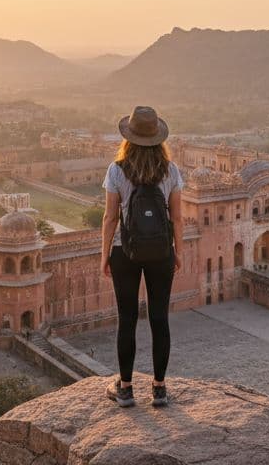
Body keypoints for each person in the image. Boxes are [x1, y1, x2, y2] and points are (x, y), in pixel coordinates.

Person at [101, 105, 183, 408]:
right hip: (161, 252)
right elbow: (177, 217)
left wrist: (105, 255)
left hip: (125, 251)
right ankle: (159, 389)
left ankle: (125, 389)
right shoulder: (171, 170)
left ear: (129, 138)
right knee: (160, 318)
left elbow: (110, 217)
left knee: (127, 319)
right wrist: (178, 252)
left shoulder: (116, 170)